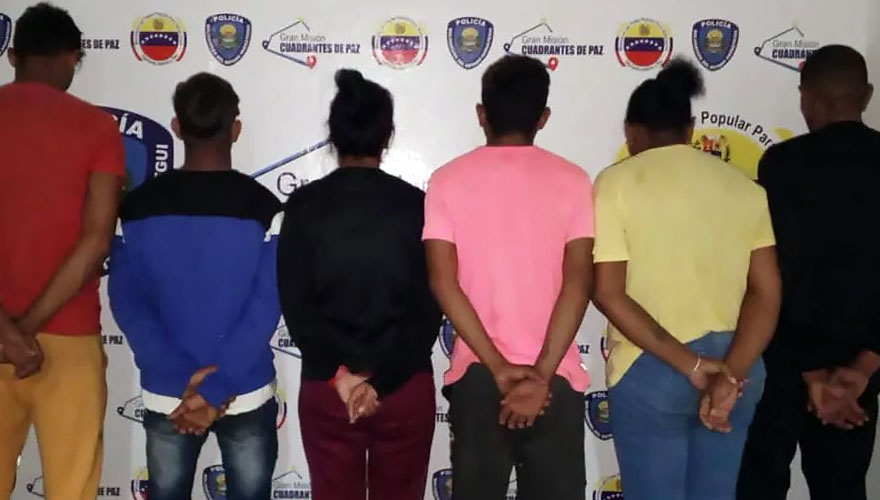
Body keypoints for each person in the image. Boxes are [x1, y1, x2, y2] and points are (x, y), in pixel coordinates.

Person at [592, 58, 781, 500]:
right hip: (737, 366)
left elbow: (608, 293)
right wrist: (728, 377)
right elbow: (767, 294)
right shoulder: (745, 189)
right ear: (691, 128)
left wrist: (692, 366)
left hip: (652, 367)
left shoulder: (614, 185)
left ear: (631, 132)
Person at [424, 55, 593, 500]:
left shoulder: (446, 181)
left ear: (482, 114)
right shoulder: (575, 181)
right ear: (544, 117)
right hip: (555, 376)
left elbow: (443, 283)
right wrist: (540, 375)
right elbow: (579, 284)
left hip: (480, 375)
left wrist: (499, 368)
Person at [108, 73, 282, 500]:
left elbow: (127, 302)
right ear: (235, 129)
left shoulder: (134, 209)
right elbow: (266, 307)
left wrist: (187, 385)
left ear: (176, 126)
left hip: (171, 393)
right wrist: (215, 391)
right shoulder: (266, 208)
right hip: (244, 389)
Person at [278, 69, 441, 500]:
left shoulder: (304, 206)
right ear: (387, 136)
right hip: (404, 387)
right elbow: (429, 308)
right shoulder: (418, 206)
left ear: (333, 135)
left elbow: (297, 307)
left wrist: (342, 378)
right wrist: (379, 385)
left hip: (328, 387)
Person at [737, 45, 880, 500]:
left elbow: (780, 273)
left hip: (784, 365)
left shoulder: (781, 165)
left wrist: (813, 373)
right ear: (867, 95)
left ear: (806, 97)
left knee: (759, 487)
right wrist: (862, 370)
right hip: (859, 375)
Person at [0, 4, 126, 499]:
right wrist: (25, 331)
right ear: (74, 57)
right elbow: (96, 242)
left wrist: (7, 334)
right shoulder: (96, 128)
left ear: (13, 55)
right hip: (68, 340)